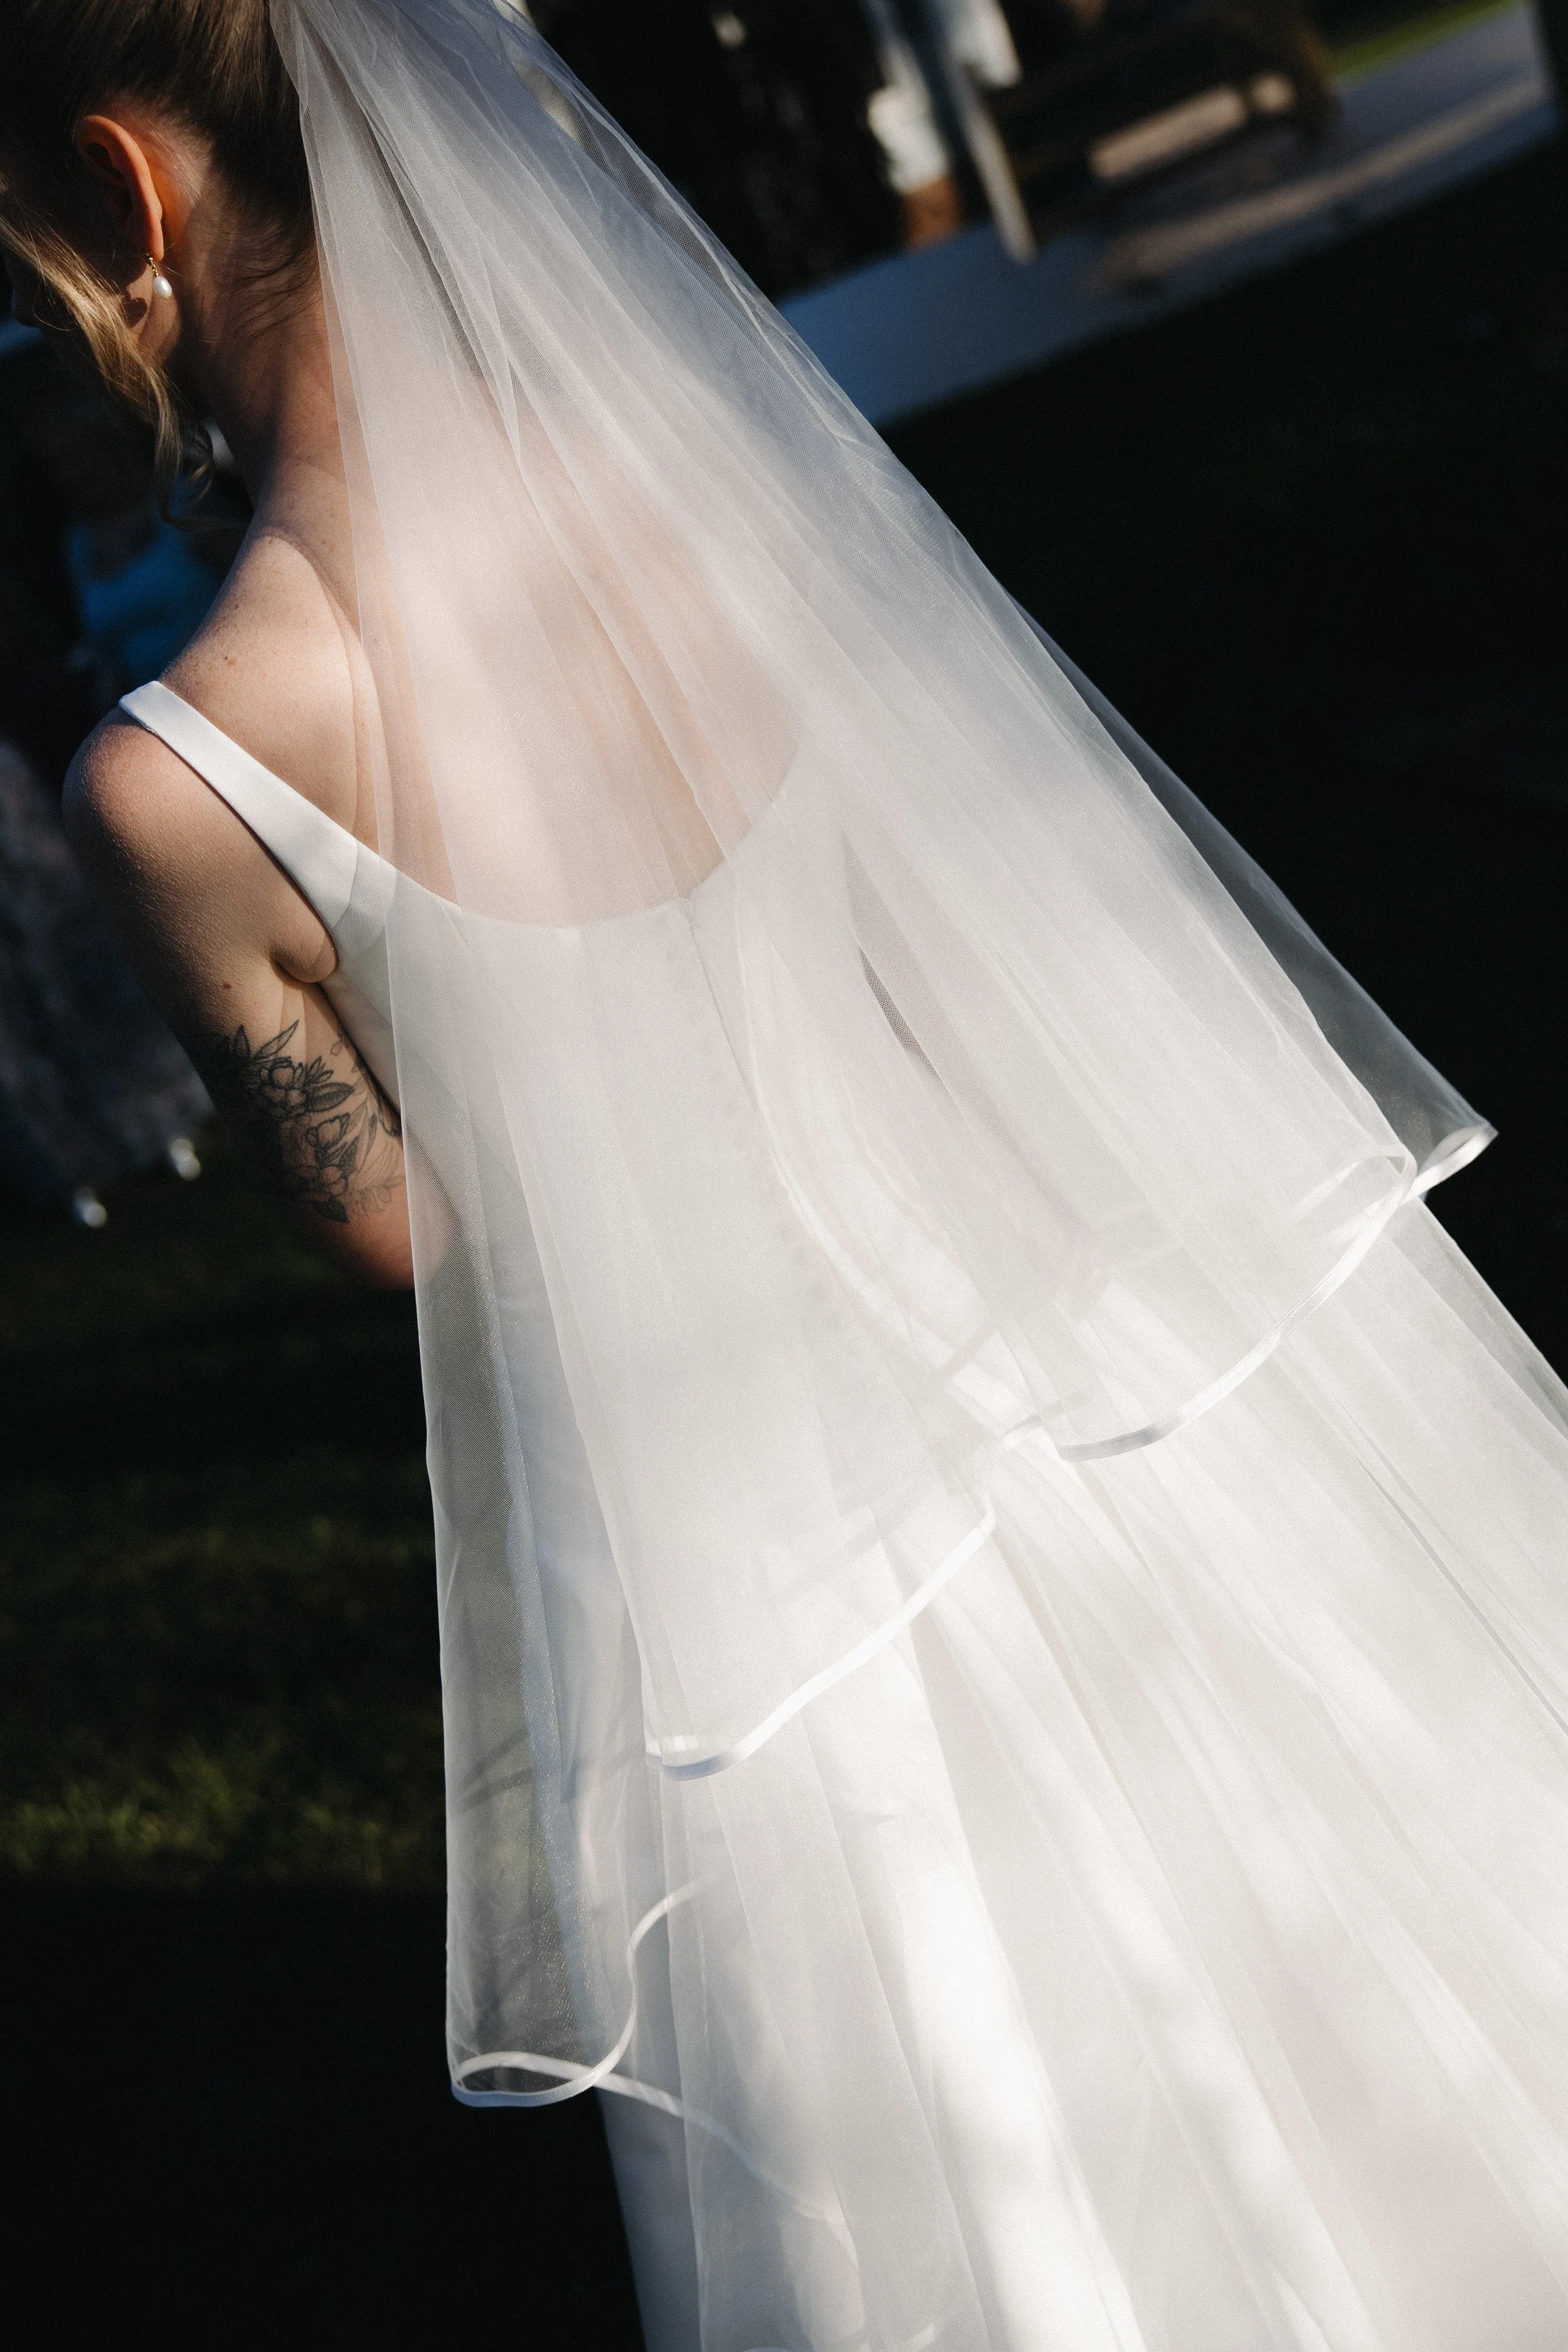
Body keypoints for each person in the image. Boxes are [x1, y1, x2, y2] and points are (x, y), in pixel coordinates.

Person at [3, 4, 1566, 2347]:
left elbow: (386, 1219)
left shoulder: (187, 780)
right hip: (1092, 1363)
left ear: (128, 200)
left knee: (968, 2115)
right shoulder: (715, 488)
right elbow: (955, 925)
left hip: (750, 1574)